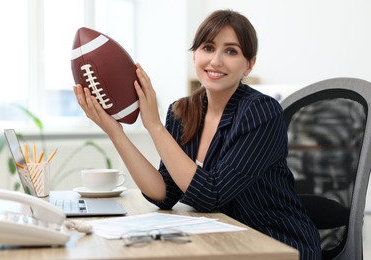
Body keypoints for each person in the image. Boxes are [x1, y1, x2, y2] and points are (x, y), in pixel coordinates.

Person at [74, 9, 321, 259]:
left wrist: (154, 126)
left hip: (276, 242)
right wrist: (116, 133)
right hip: (224, 240)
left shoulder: (261, 112)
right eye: (208, 47)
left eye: (231, 51)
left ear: (249, 64)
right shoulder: (182, 111)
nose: (215, 61)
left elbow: (210, 196)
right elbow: (164, 193)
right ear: (195, 55)